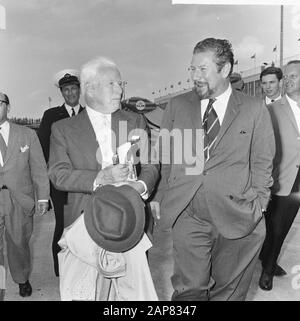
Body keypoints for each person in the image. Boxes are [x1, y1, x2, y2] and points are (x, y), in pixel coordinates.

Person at [154, 38, 275, 300]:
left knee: (228, 292)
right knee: (190, 289)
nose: (195, 76)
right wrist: (162, 195)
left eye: (202, 69)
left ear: (225, 69)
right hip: (189, 213)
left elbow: (263, 161)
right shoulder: (177, 105)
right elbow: (165, 155)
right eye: (192, 69)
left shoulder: (254, 108)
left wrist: (260, 204)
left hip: (238, 215)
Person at [48, 57, 159, 299]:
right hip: (83, 224)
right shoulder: (63, 129)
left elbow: (151, 165)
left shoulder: (135, 121)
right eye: (112, 84)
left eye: (121, 83)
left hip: (130, 224)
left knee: (133, 295)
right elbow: (58, 174)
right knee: (84, 293)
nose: (120, 90)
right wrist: (99, 177)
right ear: (89, 88)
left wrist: (140, 186)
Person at [0, 92, 49, 298]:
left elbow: (38, 168)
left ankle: (22, 278)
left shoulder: (27, 135)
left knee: (18, 242)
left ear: (8, 107)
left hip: (20, 200)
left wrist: (43, 197)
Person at [37, 70, 84, 277]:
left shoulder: (89, 113)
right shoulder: (51, 116)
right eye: (66, 90)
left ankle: (84, 266)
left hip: (85, 180)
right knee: (63, 224)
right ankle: (62, 270)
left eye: (74, 88)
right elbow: (42, 151)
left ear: (79, 90)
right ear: (62, 93)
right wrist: (44, 187)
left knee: (86, 224)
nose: (70, 93)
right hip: (61, 182)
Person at [259, 60, 300, 291]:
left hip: (299, 179)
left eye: (294, 76)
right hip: (280, 176)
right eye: (287, 76)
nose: (288, 80)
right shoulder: (273, 109)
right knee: (274, 226)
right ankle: (267, 268)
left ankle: (269, 259)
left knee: (285, 226)